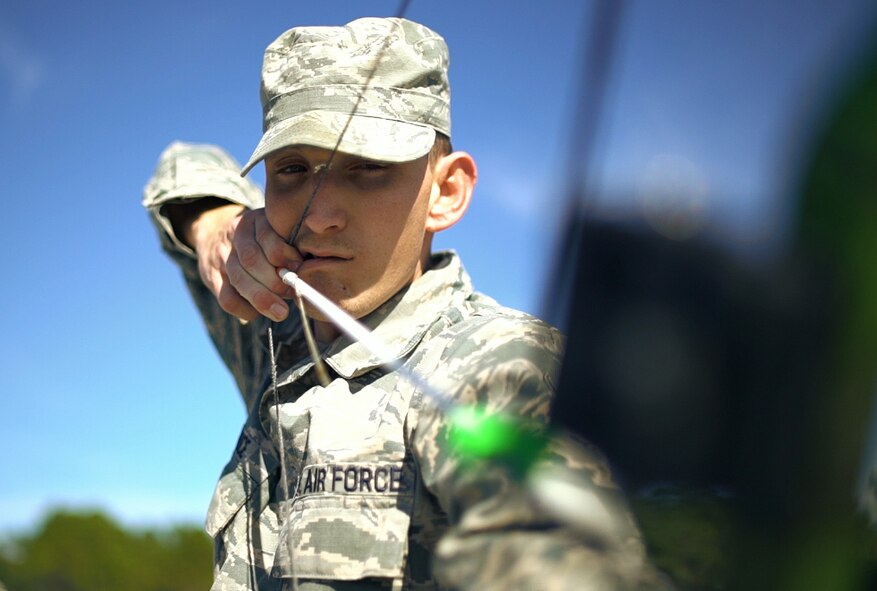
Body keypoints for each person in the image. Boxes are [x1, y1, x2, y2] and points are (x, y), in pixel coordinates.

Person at [143, 17, 668, 591]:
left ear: (446, 192)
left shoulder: (502, 366)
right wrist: (217, 224)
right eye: (292, 170)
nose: (318, 215)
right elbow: (181, 167)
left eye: (368, 168)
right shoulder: (274, 321)